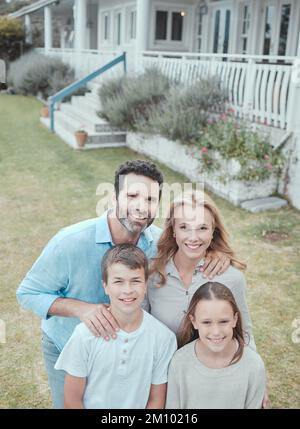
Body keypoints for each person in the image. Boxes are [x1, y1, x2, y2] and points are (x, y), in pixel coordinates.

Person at [16, 160, 229, 408]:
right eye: (132, 195)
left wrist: (215, 253)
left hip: (128, 349)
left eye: (150, 199)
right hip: (68, 345)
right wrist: (82, 309)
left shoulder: (159, 244)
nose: (141, 207)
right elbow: (28, 293)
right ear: (114, 198)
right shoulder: (69, 242)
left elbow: (193, 243)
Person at [55, 244, 177, 409]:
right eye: (118, 282)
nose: (127, 290)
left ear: (145, 284)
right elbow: (73, 400)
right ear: (105, 286)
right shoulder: (84, 334)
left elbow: (156, 400)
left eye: (135, 281)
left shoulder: (163, 337)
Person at [145, 190, 255, 350]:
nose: (193, 237)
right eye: (184, 227)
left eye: (202, 228)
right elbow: (140, 328)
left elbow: (244, 335)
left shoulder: (232, 278)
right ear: (173, 230)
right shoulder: (152, 273)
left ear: (213, 231)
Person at [165, 282, 266, 409]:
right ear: (194, 321)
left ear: (235, 319)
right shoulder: (179, 362)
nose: (216, 332)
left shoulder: (254, 365)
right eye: (207, 322)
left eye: (223, 321)